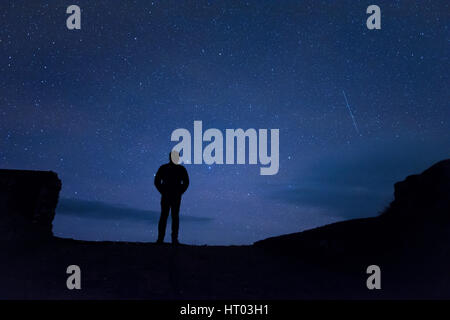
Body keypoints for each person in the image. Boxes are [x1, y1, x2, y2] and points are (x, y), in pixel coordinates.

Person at [154, 150, 189, 244]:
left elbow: (186, 182)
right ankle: (161, 239)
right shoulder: (164, 168)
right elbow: (157, 181)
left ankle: (173, 239)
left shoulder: (180, 169)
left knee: (173, 217)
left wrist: (180, 192)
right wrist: (162, 191)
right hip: (167, 195)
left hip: (174, 195)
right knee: (165, 216)